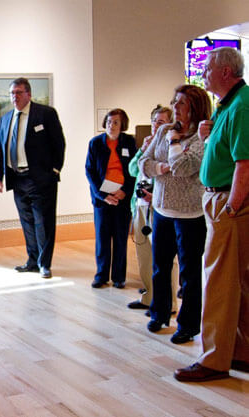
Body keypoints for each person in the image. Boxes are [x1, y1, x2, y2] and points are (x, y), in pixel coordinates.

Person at [175, 47, 249, 382]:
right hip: (223, 201)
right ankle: (240, 351)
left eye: (207, 68)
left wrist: (232, 207)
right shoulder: (230, 104)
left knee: (217, 281)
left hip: (229, 203)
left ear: (226, 72)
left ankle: (213, 360)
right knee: (239, 280)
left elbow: (244, 164)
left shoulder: (242, 104)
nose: (203, 73)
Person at [139, 84, 211, 344]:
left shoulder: (202, 136)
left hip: (190, 215)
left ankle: (188, 325)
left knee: (190, 273)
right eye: (174, 101)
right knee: (160, 267)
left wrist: (175, 142)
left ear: (194, 106)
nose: (175, 107)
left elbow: (182, 168)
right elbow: (142, 163)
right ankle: (159, 314)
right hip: (161, 211)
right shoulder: (163, 131)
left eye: (180, 103)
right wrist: (161, 167)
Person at [0, 77, 66, 279]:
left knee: (43, 222)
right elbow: (1, 148)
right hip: (17, 178)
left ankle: (44, 264)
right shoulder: (6, 118)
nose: (14, 97)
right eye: (11, 93)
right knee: (27, 222)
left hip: (41, 179)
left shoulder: (45, 114)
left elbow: (59, 143)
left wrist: (55, 170)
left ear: (28, 94)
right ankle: (32, 261)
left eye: (18, 92)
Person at [127, 105, 179, 313]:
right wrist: (142, 149)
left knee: (164, 257)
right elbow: (132, 169)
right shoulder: (147, 145)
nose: (157, 125)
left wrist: (155, 194)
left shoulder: (172, 145)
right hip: (140, 206)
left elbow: (172, 175)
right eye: (154, 121)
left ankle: (169, 303)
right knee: (144, 255)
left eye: (162, 121)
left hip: (160, 208)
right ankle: (149, 297)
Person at [86, 109, 136, 289]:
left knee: (121, 238)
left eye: (115, 122)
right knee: (103, 237)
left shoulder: (129, 142)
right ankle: (101, 275)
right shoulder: (95, 143)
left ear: (122, 125)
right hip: (102, 199)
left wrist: (125, 191)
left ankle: (119, 277)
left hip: (122, 197)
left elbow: (133, 170)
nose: (111, 125)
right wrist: (103, 196)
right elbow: (90, 172)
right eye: (108, 121)